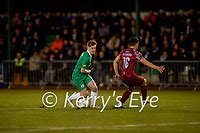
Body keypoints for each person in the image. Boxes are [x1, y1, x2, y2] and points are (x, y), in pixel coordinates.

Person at [113, 37, 165, 108]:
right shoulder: (136, 53)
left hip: (124, 76)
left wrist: (117, 73)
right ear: (136, 44)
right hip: (131, 76)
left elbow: (115, 61)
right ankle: (144, 100)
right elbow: (146, 63)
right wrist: (157, 67)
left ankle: (120, 103)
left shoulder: (123, 52)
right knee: (144, 81)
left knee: (130, 88)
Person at [69, 40, 99, 108]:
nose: (94, 50)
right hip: (77, 76)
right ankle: (70, 98)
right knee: (85, 93)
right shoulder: (86, 57)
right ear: (88, 47)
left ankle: (93, 105)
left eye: (95, 48)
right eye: (92, 48)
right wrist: (89, 71)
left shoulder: (88, 54)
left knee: (94, 88)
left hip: (83, 75)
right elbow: (82, 70)